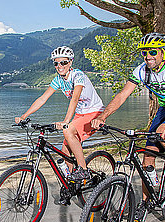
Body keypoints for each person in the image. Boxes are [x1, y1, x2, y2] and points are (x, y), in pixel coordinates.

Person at [91, 32, 165, 222]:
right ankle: (146, 202)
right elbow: (122, 95)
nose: (148, 56)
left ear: (163, 52)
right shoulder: (142, 70)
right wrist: (102, 116)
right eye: (144, 53)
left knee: (163, 135)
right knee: (147, 156)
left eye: (152, 52)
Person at [15, 46, 105, 182]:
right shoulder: (58, 80)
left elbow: (75, 98)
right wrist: (24, 116)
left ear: (70, 62)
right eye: (56, 63)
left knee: (68, 131)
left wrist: (66, 121)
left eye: (63, 62)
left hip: (94, 112)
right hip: (80, 114)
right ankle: (71, 183)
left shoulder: (78, 76)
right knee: (65, 149)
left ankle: (84, 170)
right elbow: (42, 98)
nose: (59, 66)